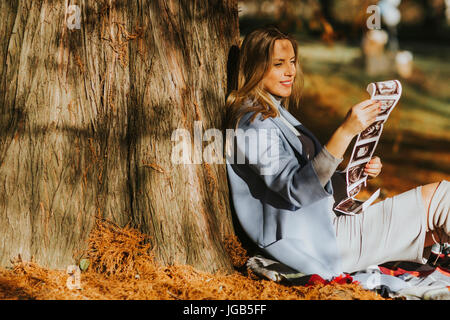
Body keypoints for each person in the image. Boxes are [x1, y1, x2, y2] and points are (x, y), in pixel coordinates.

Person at [225, 26, 449, 279]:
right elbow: (296, 189)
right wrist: (345, 132)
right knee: (443, 198)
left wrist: (352, 175)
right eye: (278, 64)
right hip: (320, 241)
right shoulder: (253, 123)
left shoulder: (276, 114)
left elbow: (312, 183)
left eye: (292, 62)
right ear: (255, 68)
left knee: (437, 228)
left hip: (328, 226)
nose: (290, 71)